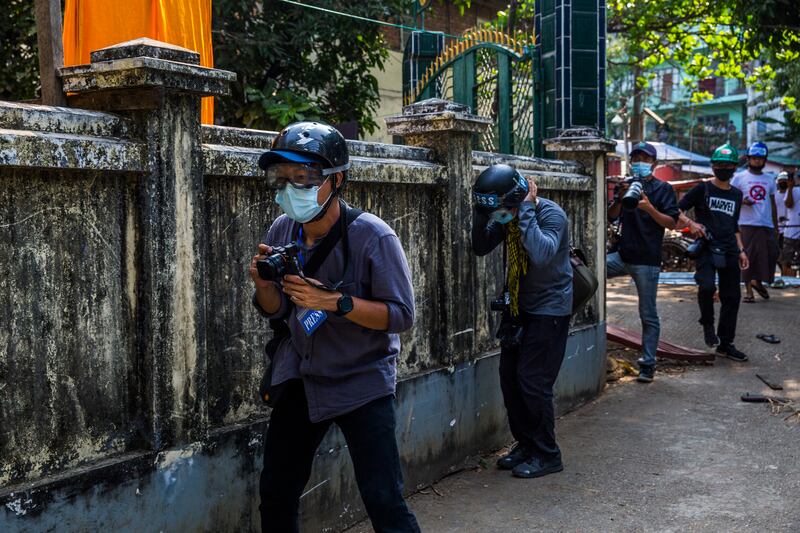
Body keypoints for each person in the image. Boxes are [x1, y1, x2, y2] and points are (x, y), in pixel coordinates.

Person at [250, 121, 420, 532]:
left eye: (304, 178)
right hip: (302, 377)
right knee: (276, 489)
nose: (291, 188)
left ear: (336, 180)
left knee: (383, 497)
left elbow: (401, 315)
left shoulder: (373, 237)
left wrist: (335, 302)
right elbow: (275, 312)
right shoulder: (282, 230)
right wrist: (263, 286)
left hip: (361, 379)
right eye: (282, 178)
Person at [470, 164, 573, 480]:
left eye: (505, 209)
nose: (502, 215)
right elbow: (480, 246)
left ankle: (547, 453)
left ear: (518, 200)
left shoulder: (550, 215)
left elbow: (541, 253)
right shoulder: (509, 218)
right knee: (510, 379)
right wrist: (481, 213)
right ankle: (526, 445)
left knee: (533, 381)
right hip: (519, 306)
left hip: (550, 310)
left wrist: (526, 208)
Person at [607, 142, 679, 383]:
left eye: (644, 159)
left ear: (654, 164)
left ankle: (648, 364)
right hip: (621, 255)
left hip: (647, 260)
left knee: (648, 314)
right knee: (588, 274)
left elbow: (671, 222)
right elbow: (612, 216)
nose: (640, 162)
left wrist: (649, 208)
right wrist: (620, 196)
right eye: (636, 157)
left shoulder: (663, 189)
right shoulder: (626, 186)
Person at [677, 144, 750, 362]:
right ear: (713, 166)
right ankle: (707, 325)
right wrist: (692, 224)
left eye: (728, 165)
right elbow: (676, 208)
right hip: (707, 247)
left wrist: (741, 250)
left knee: (732, 297)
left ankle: (726, 343)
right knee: (707, 286)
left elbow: (734, 224)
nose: (724, 168)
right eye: (719, 164)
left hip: (729, 248)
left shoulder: (737, 194)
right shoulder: (702, 188)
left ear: (734, 167)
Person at [731, 141, 779, 303]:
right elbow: (732, 197)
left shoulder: (770, 179)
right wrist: (743, 202)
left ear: (764, 160)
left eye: (760, 158)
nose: (757, 161)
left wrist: (776, 225)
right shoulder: (739, 178)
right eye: (754, 158)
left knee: (770, 255)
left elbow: (772, 203)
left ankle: (757, 281)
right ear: (749, 159)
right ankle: (749, 291)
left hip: (766, 224)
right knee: (747, 257)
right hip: (746, 223)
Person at [778, 170, 800, 278]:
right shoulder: (792, 190)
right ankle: (788, 280)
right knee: (787, 260)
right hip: (791, 232)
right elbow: (789, 204)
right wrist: (790, 188)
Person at [773, 172, 790, 287]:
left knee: (786, 257)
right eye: (781, 180)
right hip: (776, 229)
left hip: (789, 230)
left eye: (785, 180)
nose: (782, 182)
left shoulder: (792, 194)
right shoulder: (774, 195)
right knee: (776, 255)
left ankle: (786, 277)